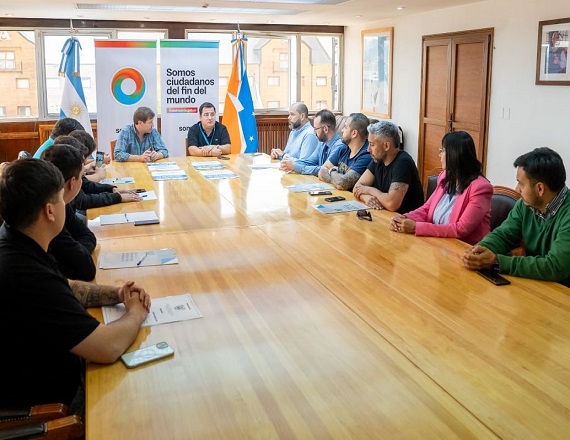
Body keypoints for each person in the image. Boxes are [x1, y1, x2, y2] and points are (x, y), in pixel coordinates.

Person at [0, 159, 150, 414]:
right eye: (61, 199)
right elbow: (107, 347)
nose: (66, 205)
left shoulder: (14, 238)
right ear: (50, 211)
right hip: (52, 407)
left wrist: (116, 294)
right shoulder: (24, 273)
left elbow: (64, 285)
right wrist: (136, 312)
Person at [462, 147, 570, 287]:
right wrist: (479, 250)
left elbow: (555, 266)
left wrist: (497, 261)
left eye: (521, 183)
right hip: (536, 285)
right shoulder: (525, 205)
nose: (517, 189)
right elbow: (503, 235)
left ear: (540, 189)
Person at [389, 131, 493, 245]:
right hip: (437, 243)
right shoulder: (445, 176)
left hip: (464, 249)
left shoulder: (480, 188)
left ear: (454, 155)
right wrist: (404, 218)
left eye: (442, 151)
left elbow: (460, 229)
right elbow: (427, 209)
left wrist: (416, 227)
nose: (439, 155)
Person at [41, 142, 97, 281]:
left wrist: (78, 250)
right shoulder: (51, 213)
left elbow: (86, 234)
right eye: (82, 176)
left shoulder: (61, 203)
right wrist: (79, 253)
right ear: (73, 182)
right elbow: (85, 268)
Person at [353, 121, 424, 213]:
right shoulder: (378, 159)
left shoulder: (403, 163)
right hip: (384, 216)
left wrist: (370, 190)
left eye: (372, 144)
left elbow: (392, 204)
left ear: (386, 146)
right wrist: (367, 198)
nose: (368, 149)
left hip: (404, 221)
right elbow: (357, 187)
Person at [280, 109, 344, 176]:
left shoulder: (339, 146)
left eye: (316, 129)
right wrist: (290, 163)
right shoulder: (322, 143)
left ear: (325, 129)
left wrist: (295, 167)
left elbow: (323, 170)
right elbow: (309, 162)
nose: (314, 132)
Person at [318, 113, 371, 191]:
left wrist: (332, 170)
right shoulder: (343, 148)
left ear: (354, 133)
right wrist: (336, 179)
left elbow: (342, 183)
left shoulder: (367, 155)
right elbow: (322, 170)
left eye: (345, 127)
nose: (342, 130)